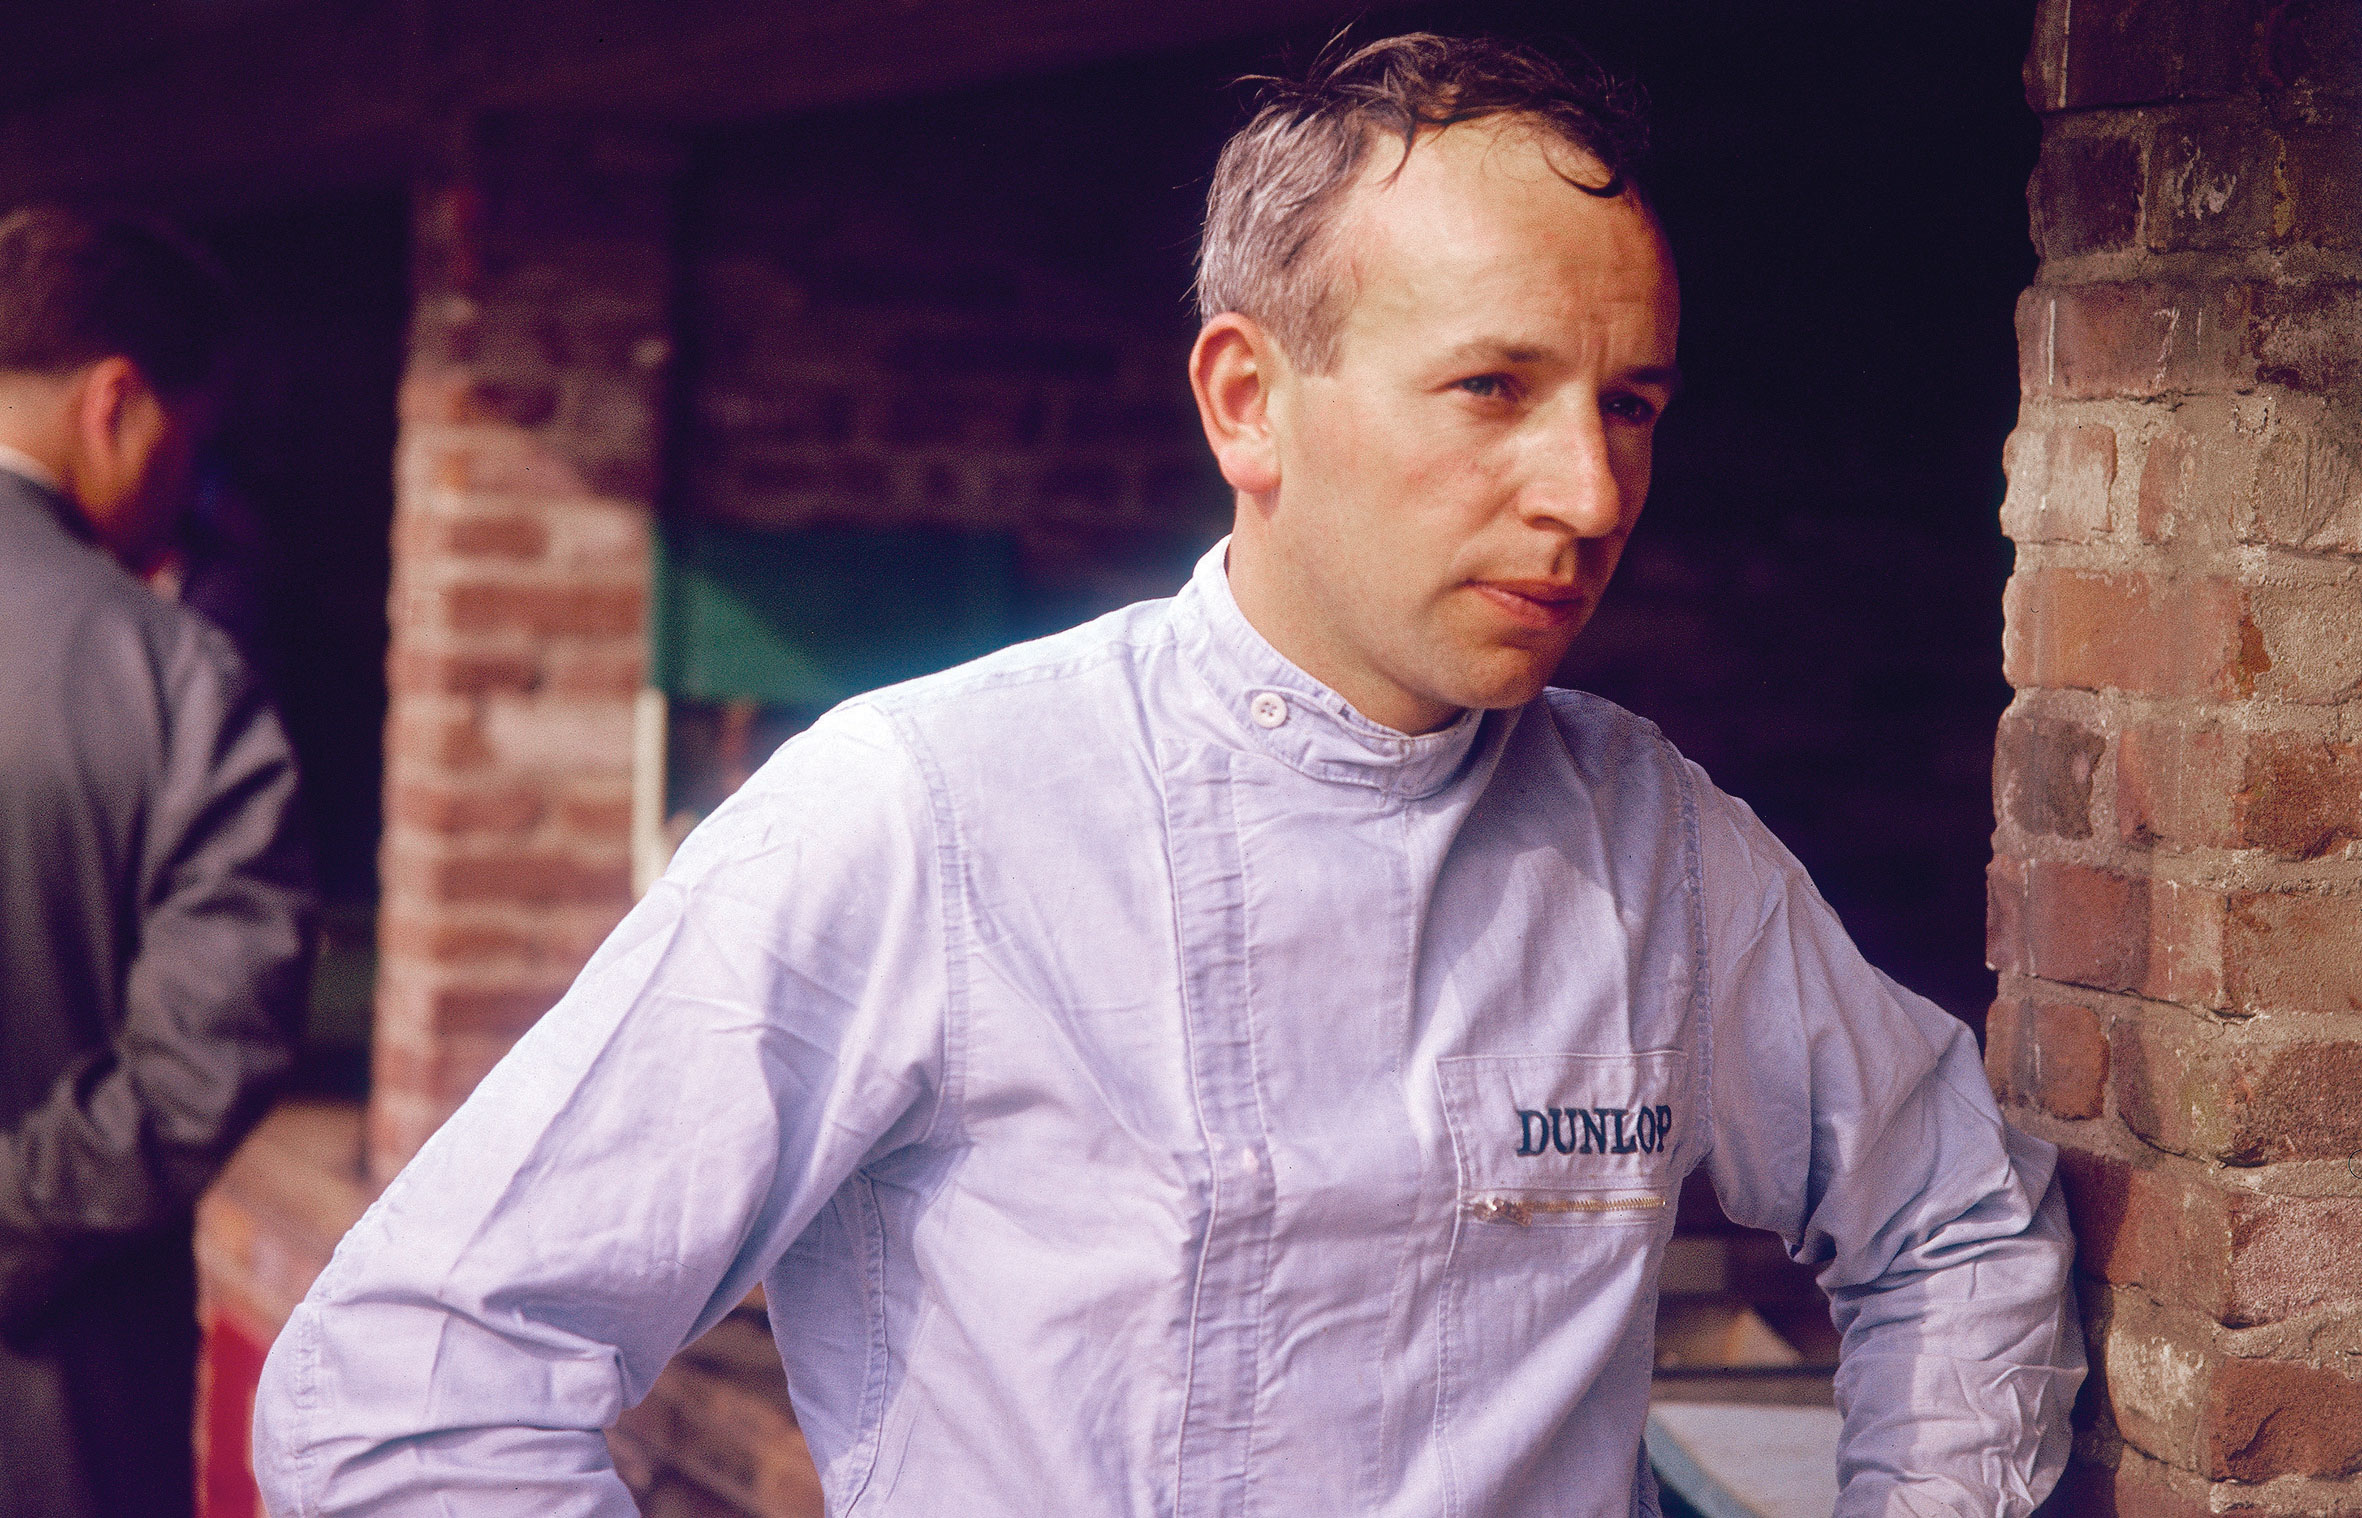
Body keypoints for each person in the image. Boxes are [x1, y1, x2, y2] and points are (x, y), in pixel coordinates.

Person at [257, 35, 2082, 1516]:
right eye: (1492, 390)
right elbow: (403, 1389)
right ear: (1246, 400)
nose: (1588, 495)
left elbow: (1963, 1216)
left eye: (1630, 405)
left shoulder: (1652, 842)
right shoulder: (926, 808)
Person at [0, 204, 316, 1516]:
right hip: (55, 1409)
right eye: (191, 439)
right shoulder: (176, 675)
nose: (189, 482)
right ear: (117, 403)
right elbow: (200, 1069)